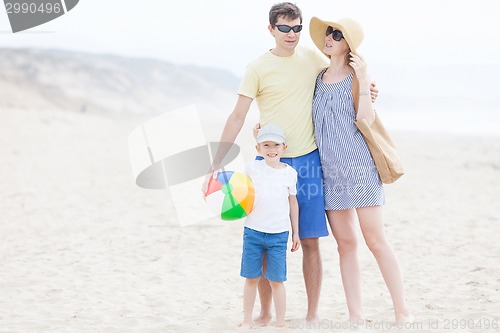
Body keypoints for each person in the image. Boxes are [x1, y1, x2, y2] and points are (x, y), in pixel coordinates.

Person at [202, 2, 377, 324]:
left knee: (310, 241)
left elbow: (341, 72)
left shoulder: (312, 58)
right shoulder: (257, 67)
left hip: (309, 160)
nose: (292, 34)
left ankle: (311, 315)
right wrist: (215, 164)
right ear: (271, 29)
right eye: (284, 28)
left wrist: (368, 89)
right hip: (267, 161)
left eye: (296, 28)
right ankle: (266, 313)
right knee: (267, 234)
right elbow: (237, 116)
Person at [308, 17, 414, 324]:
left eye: (336, 34)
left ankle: (402, 310)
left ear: (348, 44)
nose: (329, 37)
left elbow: (366, 119)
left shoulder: (357, 77)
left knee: (376, 241)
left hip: (361, 169)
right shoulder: (316, 79)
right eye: (328, 32)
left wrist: (365, 82)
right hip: (329, 174)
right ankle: (355, 315)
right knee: (346, 245)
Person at [239, 124, 300, 329]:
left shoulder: (290, 173)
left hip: (279, 234)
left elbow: (293, 202)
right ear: (258, 149)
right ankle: (247, 319)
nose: (271, 149)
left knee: (276, 280)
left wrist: (296, 233)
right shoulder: (252, 168)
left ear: (284, 147)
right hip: (253, 231)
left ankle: (280, 323)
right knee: (251, 278)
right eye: (266, 145)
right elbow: (236, 188)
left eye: (276, 145)